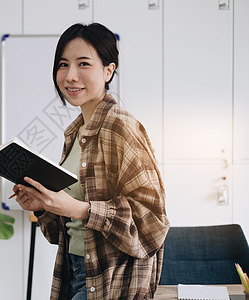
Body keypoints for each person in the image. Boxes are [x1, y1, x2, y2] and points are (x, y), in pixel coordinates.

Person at [13, 23, 170, 300]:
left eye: (83, 63)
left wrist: (81, 209)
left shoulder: (121, 127)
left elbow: (152, 221)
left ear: (108, 70)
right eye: (63, 64)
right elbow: (65, 231)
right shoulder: (76, 132)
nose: (70, 76)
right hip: (73, 269)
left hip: (112, 278)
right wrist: (43, 207)